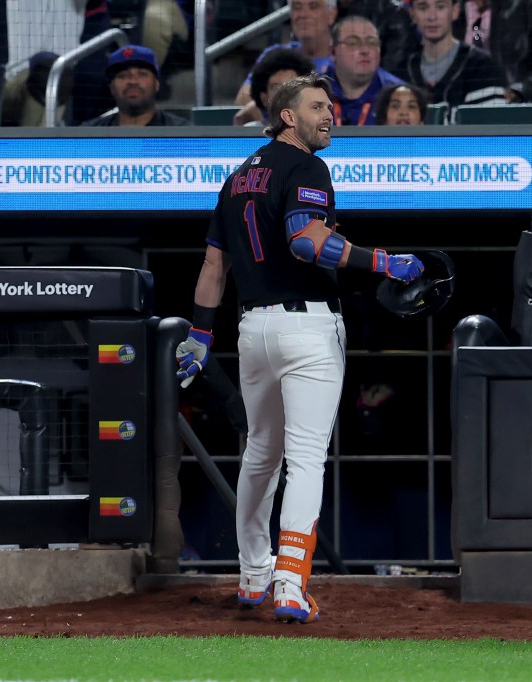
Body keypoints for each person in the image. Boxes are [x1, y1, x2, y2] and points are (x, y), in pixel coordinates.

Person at [175, 74, 424, 624]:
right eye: (317, 106)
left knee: (260, 454)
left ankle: (252, 575)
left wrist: (199, 334)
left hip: (253, 330)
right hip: (306, 327)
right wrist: (384, 261)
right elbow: (305, 241)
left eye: (330, 105)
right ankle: (290, 585)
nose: (330, 114)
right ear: (288, 116)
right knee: (305, 458)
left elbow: (212, 268)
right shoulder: (307, 166)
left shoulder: (238, 177)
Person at [403, 0, 508, 112]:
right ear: (412, 14)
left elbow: (490, 126)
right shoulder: (402, 72)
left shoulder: (483, 68)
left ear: (455, 11)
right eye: (423, 8)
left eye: (440, 7)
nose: (432, 17)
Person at [233, 0, 337, 108]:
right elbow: (243, 99)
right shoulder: (275, 55)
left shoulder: (346, 57)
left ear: (332, 14)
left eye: (313, 6)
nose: (303, 14)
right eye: (297, 7)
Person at [81, 45, 189, 126]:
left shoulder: (184, 134)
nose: (132, 81)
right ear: (112, 88)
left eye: (142, 74)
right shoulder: (88, 135)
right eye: (123, 76)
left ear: (156, 84)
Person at [327, 15, 404, 125]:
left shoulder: (398, 95)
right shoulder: (314, 92)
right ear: (333, 51)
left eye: (372, 43)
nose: (365, 50)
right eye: (353, 43)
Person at [233, 48, 315, 127]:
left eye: (292, 86)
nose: (284, 94)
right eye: (276, 88)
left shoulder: (318, 133)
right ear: (264, 98)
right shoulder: (248, 135)